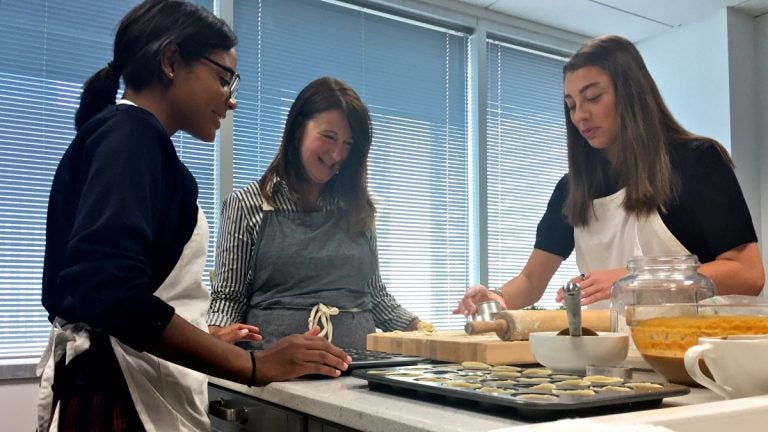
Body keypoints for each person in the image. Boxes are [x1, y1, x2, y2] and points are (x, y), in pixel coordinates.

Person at [38, 2, 350, 431]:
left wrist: (197, 334)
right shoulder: (131, 137)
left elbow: (130, 291)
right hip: (120, 398)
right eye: (223, 79)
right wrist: (252, 367)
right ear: (170, 61)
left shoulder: (128, 138)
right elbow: (108, 291)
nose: (231, 100)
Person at [454, 35, 764, 316]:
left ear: (630, 93)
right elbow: (531, 280)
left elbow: (748, 274)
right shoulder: (572, 189)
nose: (580, 115)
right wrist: (495, 298)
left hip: (692, 358)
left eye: (593, 97)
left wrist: (633, 281)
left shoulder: (696, 162)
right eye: (571, 104)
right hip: (605, 363)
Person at [207, 76, 426, 350]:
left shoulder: (357, 206)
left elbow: (375, 296)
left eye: (348, 143)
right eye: (329, 137)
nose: (337, 154)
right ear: (299, 129)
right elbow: (229, 298)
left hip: (358, 368)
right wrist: (214, 341)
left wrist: (426, 332)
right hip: (274, 375)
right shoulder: (246, 204)